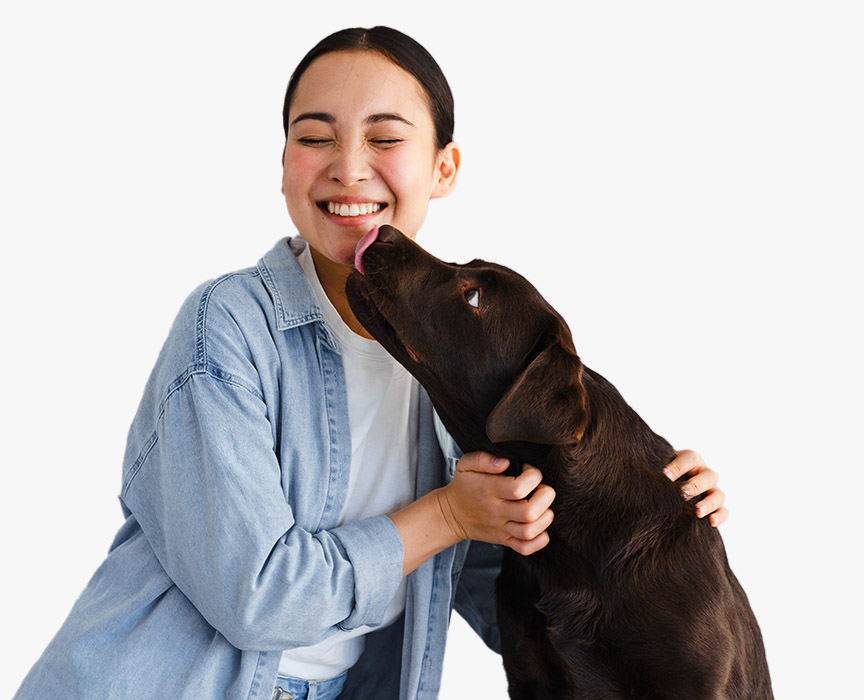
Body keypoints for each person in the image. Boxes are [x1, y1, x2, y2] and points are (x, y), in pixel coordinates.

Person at [13, 26, 728, 700]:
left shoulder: (462, 368)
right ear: (285, 166)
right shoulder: (226, 326)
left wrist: (647, 514)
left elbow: (494, 586)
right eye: (314, 137)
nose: (348, 167)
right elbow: (260, 597)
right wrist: (449, 512)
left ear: (444, 167)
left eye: (385, 137)